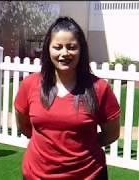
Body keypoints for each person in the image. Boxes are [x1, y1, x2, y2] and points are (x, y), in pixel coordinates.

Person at [14, 16, 120, 180]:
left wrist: (84, 147)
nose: (64, 53)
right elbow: (24, 126)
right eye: (58, 47)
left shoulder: (99, 88)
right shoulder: (29, 85)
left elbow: (111, 133)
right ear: (48, 49)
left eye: (71, 47)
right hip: (37, 174)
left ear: (81, 50)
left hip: (88, 174)